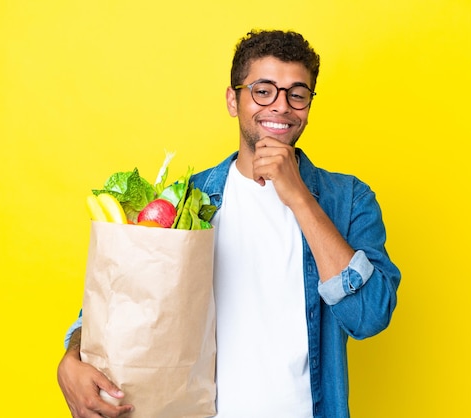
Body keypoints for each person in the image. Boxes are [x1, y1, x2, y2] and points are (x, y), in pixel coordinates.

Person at [57, 29, 401, 418]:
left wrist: (300, 199)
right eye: (263, 90)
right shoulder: (187, 201)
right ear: (232, 100)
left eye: (297, 94)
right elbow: (116, 309)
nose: (281, 107)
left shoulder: (349, 199)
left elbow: (370, 316)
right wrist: (71, 358)